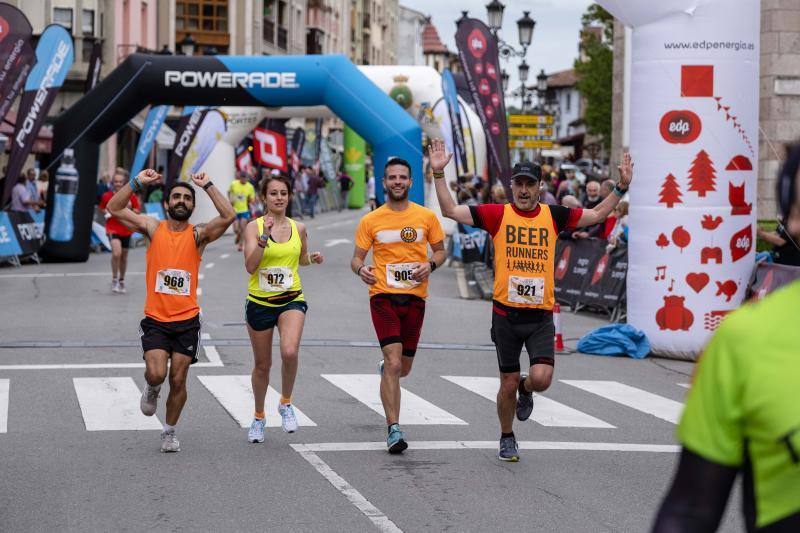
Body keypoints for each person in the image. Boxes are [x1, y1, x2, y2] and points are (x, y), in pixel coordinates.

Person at [430, 138, 633, 462]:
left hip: (539, 315)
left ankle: (528, 391)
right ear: (512, 187)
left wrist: (621, 189)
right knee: (506, 383)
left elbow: (595, 214)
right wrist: (438, 174)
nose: (523, 190)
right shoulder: (498, 214)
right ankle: (507, 436)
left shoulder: (554, 216)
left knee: (540, 379)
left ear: (539, 187)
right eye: (519, 184)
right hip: (506, 314)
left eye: (529, 185)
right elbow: (450, 210)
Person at [107, 169, 235, 453]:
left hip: (187, 321)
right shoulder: (153, 228)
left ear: (192, 205)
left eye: (187, 198)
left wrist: (208, 185)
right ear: (167, 203)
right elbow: (113, 208)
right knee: (156, 374)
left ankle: (169, 431)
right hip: (155, 319)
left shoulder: (198, 234)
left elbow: (228, 216)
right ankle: (152, 388)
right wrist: (137, 182)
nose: (181, 201)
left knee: (178, 379)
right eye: (176, 196)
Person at [351, 156, 446, 454]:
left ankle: (388, 372)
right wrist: (360, 269)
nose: (397, 182)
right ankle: (393, 428)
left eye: (402, 177)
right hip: (383, 296)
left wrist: (430, 265)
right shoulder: (371, 220)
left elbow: (441, 251)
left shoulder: (426, 217)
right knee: (393, 363)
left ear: (410, 182)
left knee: (402, 368)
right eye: (392, 177)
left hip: (415, 298)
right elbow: (356, 258)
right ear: (383, 182)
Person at [242, 174, 324, 443]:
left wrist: (312, 258)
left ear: (289, 196)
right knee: (263, 366)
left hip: (291, 298)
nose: (279, 198)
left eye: (283, 193)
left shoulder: (298, 228)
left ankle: (286, 403)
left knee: (289, 352)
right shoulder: (253, 228)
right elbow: (251, 266)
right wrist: (264, 237)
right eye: (273, 193)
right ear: (263, 198)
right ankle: (258, 416)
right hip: (260, 301)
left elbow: (300, 260)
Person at [99, 170, 141, 293]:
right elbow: (102, 208)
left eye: (120, 182)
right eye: (116, 181)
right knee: (116, 253)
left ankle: (122, 280)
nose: (118, 184)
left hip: (126, 229)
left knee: (124, 256)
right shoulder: (107, 196)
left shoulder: (131, 196)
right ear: (113, 183)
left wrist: (130, 208)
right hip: (112, 228)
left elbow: (138, 210)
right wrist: (107, 212)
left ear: (124, 183)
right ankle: (114, 279)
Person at [228, 170, 256, 252]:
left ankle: (241, 245)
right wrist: (230, 199)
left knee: (243, 227)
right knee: (236, 229)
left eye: (245, 178)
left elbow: (252, 198)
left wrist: (251, 200)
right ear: (239, 177)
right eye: (242, 178)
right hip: (235, 210)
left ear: (247, 178)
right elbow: (229, 192)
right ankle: (238, 235)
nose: (243, 179)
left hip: (244, 210)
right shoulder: (234, 184)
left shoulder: (250, 187)